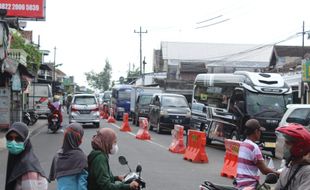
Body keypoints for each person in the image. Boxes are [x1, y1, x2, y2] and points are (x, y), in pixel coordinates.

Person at [235, 119, 279, 190]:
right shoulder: (254, 147)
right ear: (256, 131)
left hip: (239, 183)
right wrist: (279, 173)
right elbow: (264, 170)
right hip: (250, 185)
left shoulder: (243, 144)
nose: (260, 133)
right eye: (260, 131)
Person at [5, 122, 48, 190]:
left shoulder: (27, 170)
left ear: (25, 141)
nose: (13, 142)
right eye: (10, 138)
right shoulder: (16, 159)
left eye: (18, 139)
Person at [49, 123, 88, 190]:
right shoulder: (80, 157)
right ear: (78, 139)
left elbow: (54, 177)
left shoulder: (57, 156)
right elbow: (82, 183)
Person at [274, 123, 310, 190]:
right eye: (285, 142)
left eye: (287, 143)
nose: (284, 146)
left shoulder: (307, 172)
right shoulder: (287, 169)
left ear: (299, 148)